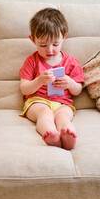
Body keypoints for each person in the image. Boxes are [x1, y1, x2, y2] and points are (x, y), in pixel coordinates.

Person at [19, 8, 84, 150]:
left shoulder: (71, 62)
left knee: (62, 117)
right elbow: (24, 88)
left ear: (64, 37)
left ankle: (68, 135)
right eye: (43, 45)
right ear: (33, 40)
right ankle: (52, 134)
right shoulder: (32, 61)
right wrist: (39, 81)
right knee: (45, 113)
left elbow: (78, 90)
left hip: (62, 103)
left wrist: (70, 83)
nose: (49, 50)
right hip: (37, 102)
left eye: (55, 44)